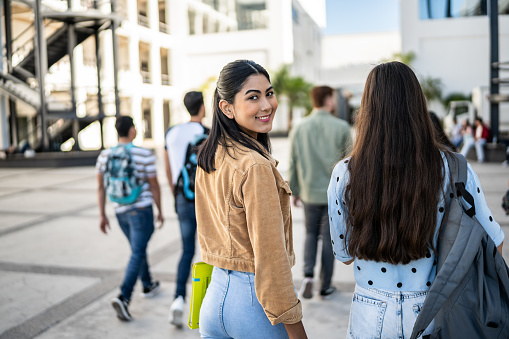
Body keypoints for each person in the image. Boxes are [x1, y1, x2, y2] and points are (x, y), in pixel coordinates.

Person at [327, 62, 504, 338]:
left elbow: (344, 255)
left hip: (369, 312)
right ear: (418, 106)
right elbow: (495, 240)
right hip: (433, 309)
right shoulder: (453, 168)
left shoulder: (344, 173)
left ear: (367, 110)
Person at [195, 60, 307, 339]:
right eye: (253, 97)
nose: (267, 105)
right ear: (227, 108)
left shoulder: (211, 154)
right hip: (253, 307)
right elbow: (271, 259)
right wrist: (295, 329)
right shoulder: (254, 166)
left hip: (214, 298)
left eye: (269, 93)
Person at [96, 115, 164, 321]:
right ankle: (123, 297)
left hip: (120, 212)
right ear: (132, 131)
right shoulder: (144, 154)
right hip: (141, 210)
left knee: (138, 248)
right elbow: (154, 185)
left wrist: (102, 214)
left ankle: (147, 283)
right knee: (137, 251)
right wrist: (160, 209)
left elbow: (100, 186)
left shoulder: (104, 155)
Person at [288, 85, 351, 299]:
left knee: (310, 234)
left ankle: (307, 276)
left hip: (308, 192)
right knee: (328, 239)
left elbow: (293, 161)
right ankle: (325, 285)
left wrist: (294, 190)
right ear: (329, 100)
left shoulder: (299, 127)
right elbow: (350, 164)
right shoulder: (341, 126)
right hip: (333, 195)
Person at [164, 91, 209, 327]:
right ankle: (205, 306)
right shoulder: (207, 133)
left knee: (186, 251)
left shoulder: (172, 132)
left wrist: (175, 193)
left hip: (182, 197)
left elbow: (168, 168)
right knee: (210, 252)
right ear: (202, 108)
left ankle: (178, 300)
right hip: (205, 201)